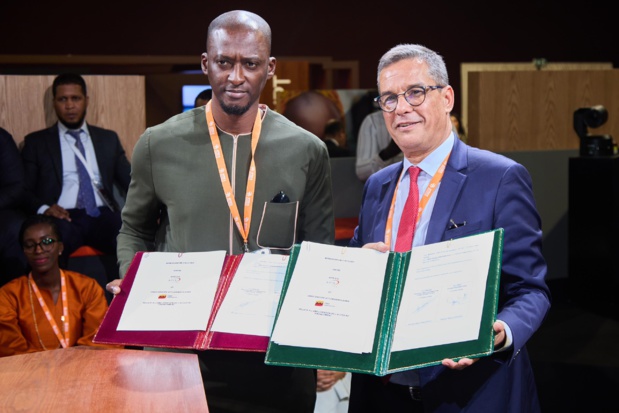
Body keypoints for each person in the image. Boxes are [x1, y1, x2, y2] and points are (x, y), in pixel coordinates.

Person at [109, 10, 334, 413]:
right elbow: (133, 230)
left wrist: (321, 343)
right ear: (205, 63)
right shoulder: (158, 144)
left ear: (270, 68)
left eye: (249, 64)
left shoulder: (306, 150)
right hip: (177, 353)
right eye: (224, 62)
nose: (235, 77)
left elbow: (318, 252)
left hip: (274, 359)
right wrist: (133, 281)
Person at [347, 44, 551, 412]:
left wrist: (501, 330)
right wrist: (357, 267)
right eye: (389, 99)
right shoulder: (377, 186)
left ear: (446, 98)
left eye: (415, 92)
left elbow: (530, 289)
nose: (402, 108)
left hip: (470, 392)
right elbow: (358, 274)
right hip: (381, 393)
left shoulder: (499, 178)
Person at [20, 73, 131, 269]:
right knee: (48, 244)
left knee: (128, 237)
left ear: (86, 101)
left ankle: (128, 297)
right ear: (54, 102)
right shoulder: (37, 142)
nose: (70, 106)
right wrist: (45, 208)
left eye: (75, 98)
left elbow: (132, 181)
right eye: (63, 99)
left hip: (102, 214)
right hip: (62, 216)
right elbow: (23, 190)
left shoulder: (107, 139)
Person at [0, 215, 121, 357]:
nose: (38, 250)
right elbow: (10, 349)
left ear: (60, 247)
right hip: (30, 374)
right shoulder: (8, 295)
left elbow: (99, 341)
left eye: (47, 241)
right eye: (30, 245)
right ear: (23, 251)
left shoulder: (86, 287)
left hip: (80, 371)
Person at [0, 127, 28, 285]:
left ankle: (13, 298)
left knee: (15, 227)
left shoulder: (1, 139)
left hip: (1, 210)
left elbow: (16, 186)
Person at [355, 109, 403, 182]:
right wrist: (386, 154)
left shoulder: (422, 117)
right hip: (390, 187)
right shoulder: (373, 122)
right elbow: (362, 173)